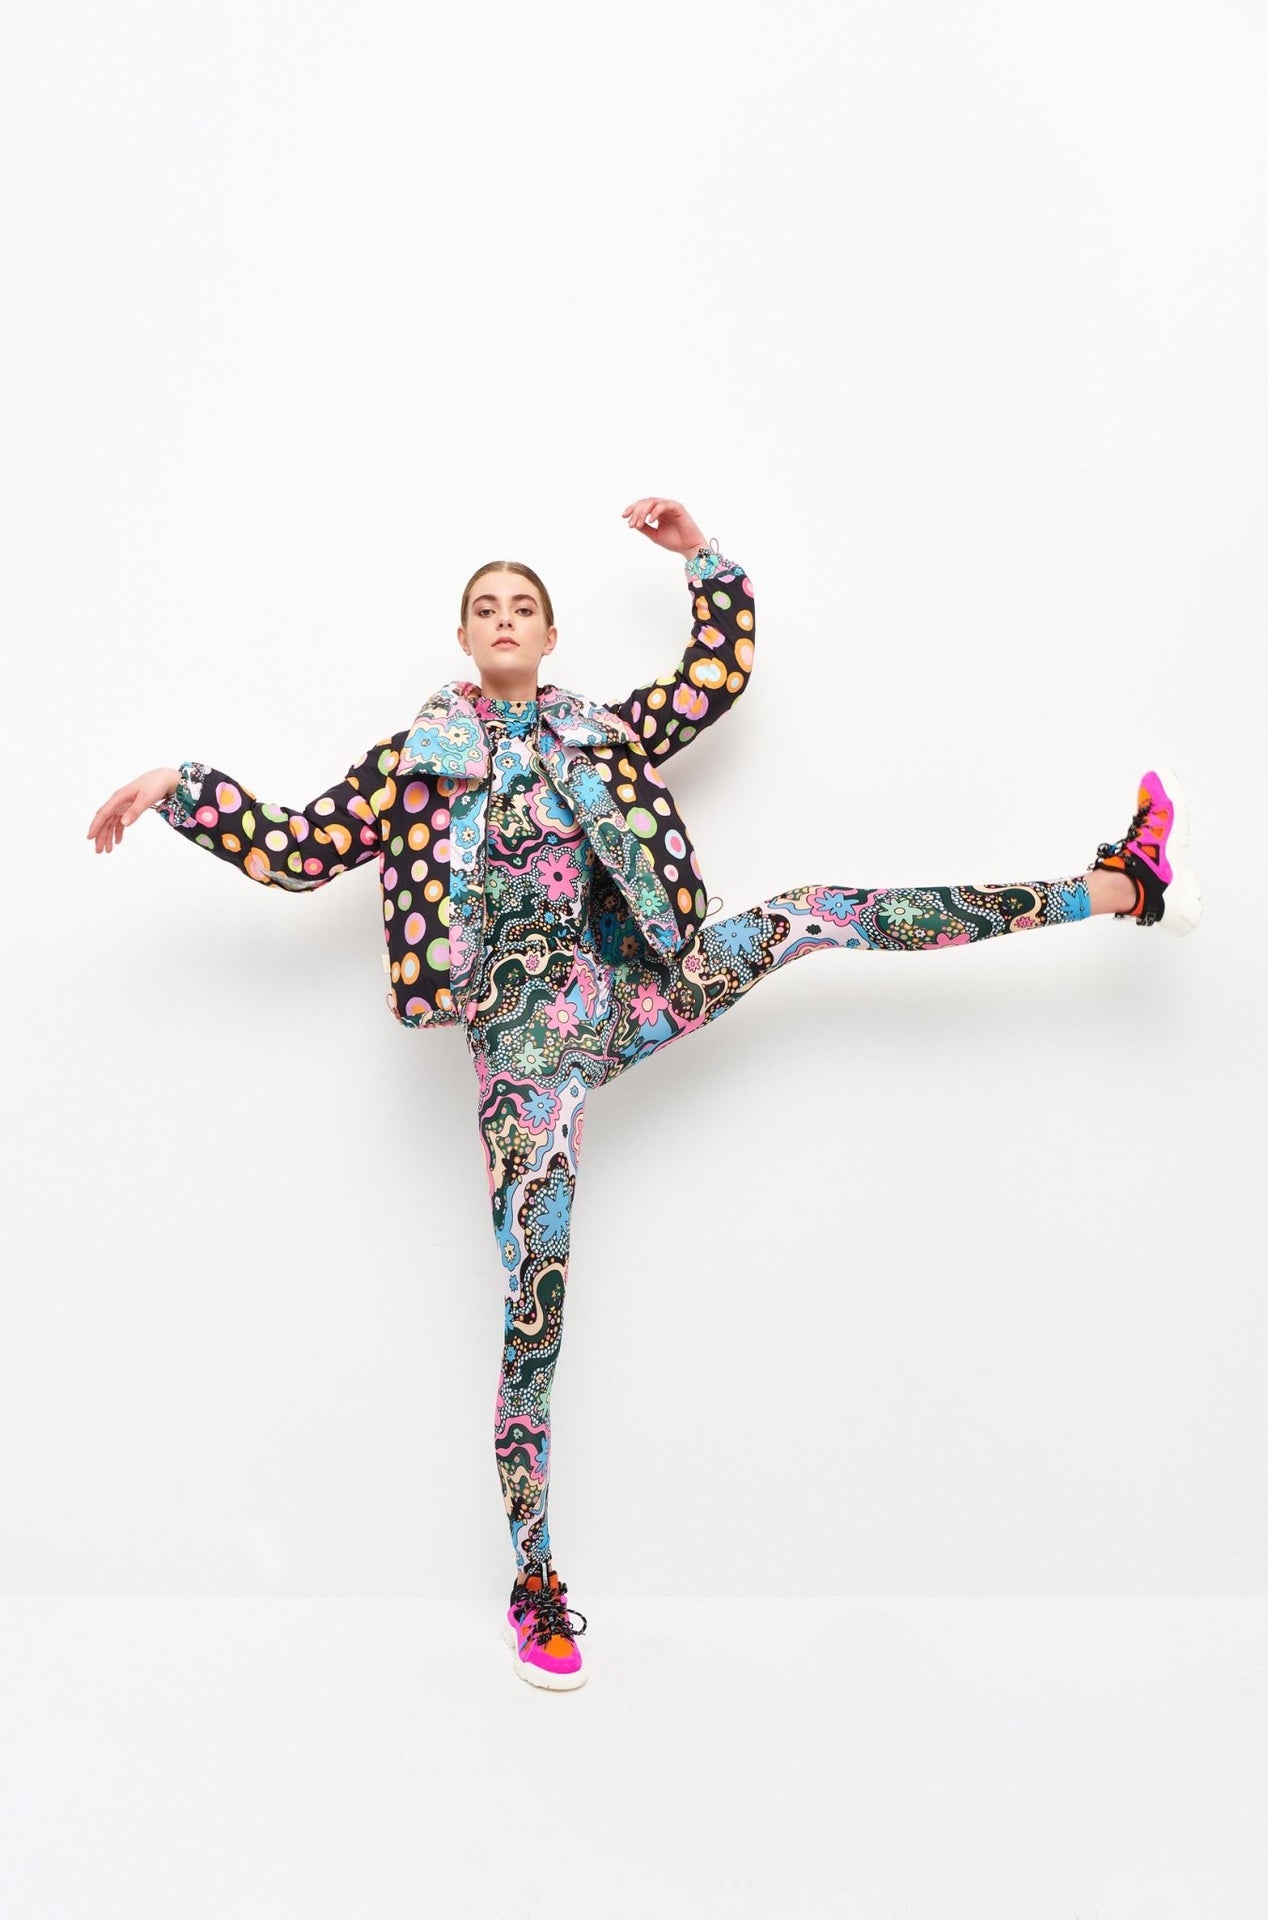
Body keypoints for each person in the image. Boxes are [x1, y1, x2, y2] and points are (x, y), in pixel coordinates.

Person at [86, 496, 1203, 1691]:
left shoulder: (599, 735)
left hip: (632, 997)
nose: (503, 619)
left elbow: (714, 679)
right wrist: (181, 788)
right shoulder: (411, 768)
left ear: (549, 635)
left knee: (811, 913)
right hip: (522, 1062)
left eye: (522, 606)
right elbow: (296, 850)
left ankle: (1115, 887)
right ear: (461, 637)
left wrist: (703, 561)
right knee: (533, 1311)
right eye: (484, 607)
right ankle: (535, 1586)